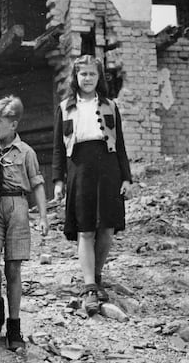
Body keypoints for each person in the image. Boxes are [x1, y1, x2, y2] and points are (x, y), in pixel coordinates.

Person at [52, 54, 132, 316]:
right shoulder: (65, 107)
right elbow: (56, 148)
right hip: (79, 168)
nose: (87, 78)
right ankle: (88, 287)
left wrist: (126, 177)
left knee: (106, 229)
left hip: (108, 168)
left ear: (99, 78)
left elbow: (119, 144)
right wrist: (59, 180)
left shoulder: (110, 106)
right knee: (86, 230)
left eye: (92, 74)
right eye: (83, 74)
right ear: (75, 77)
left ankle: (96, 277)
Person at [0, 95, 49, 351]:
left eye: (0, 121)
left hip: (17, 207)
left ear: (14, 125)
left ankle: (14, 326)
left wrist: (42, 216)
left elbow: (38, 184)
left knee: (13, 269)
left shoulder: (26, 152)